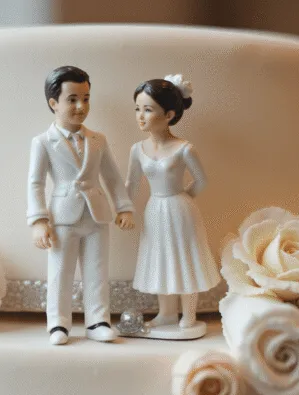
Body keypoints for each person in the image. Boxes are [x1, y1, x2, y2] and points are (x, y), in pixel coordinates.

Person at [26, 66, 135, 345]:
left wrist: (123, 207)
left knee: (97, 270)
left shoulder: (98, 140)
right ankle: (58, 324)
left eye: (86, 98)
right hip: (62, 217)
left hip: (97, 214)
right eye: (72, 99)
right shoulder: (42, 142)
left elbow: (111, 176)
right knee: (61, 271)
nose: (80, 106)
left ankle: (97, 320)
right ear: (53, 103)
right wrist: (38, 220)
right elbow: (35, 183)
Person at [126, 75, 220, 330]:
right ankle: (166, 313)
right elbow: (132, 185)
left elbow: (202, 180)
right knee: (160, 259)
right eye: (137, 109)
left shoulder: (184, 149)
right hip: (154, 209)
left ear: (168, 114)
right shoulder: (137, 150)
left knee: (184, 257)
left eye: (148, 109)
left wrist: (183, 199)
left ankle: (189, 314)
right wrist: (123, 209)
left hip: (179, 209)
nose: (140, 116)